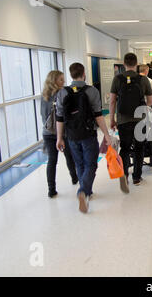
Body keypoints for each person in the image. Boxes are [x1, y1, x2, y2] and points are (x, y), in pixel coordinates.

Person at [55, 63, 112, 213]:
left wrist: (59, 137)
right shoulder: (92, 91)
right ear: (84, 74)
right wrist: (106, 134)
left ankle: (86, 190)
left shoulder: (62, 93)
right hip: (88, 134)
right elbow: (98, 115)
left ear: (71, 74)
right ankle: (84, 191)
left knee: (79, 164)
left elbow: (59, 118)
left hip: (71, 135)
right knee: (91, 164)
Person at [110, 53, 152, 189]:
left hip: (123, 120)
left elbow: (112, 101)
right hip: (140, 121)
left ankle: (124, 176)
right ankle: (137, 177)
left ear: (124, 64)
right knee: (139, 149)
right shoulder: (144, 79)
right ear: (137, 64)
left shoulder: (117, 79)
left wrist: (112, 119)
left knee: (125, 149)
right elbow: (151, 100)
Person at [40, 70, 78, 198]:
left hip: (48, 132)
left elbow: (43, 115)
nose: (64, 82)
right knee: (69, 156)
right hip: (62, 131)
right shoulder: (63, 93)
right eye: (61, 79)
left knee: (52, 160)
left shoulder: (44, 95)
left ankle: (51, 189)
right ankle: (74, 178)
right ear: (54, 81)